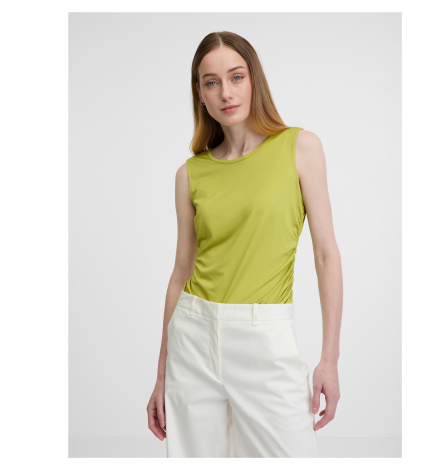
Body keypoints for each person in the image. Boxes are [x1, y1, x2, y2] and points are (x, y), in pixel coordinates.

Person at [147, 31, 343, 458]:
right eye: (211, 82)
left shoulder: (300, 147)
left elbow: (326, 254)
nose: (226, 92)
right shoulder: (190, 174)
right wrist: (161, 376)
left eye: (236, 77)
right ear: (199, 93)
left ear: (254, 79)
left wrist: (329, 359)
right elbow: (181, 273)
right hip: (193, 339)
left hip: (264, 338)